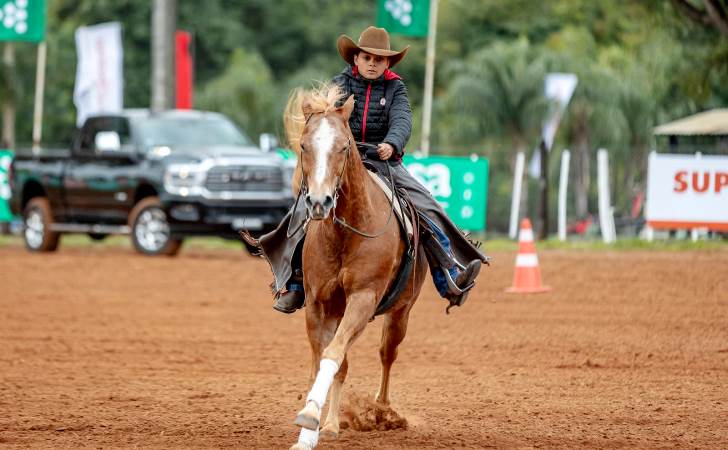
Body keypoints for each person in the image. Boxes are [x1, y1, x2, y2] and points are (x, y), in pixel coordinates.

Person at [254, 26, 488, 314]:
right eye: (367, 57)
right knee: (302, 211)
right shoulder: (340, 85)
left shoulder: (396, 88)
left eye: (379, 59)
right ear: (356, 59)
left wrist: (392, 143)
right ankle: (295, 283)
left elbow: (402, 120)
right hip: (341, 163)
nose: (373, 63)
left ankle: (449, 277)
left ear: (388, 63)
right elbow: (328, 121)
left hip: (384, 162)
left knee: (427, 208)